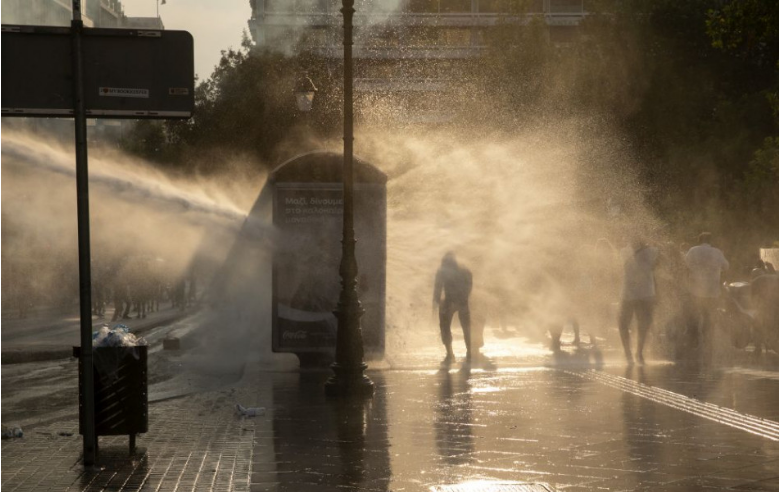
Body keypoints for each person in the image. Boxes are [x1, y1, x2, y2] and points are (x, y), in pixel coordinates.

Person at [684, 232, 729, 353]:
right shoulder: (717, 252)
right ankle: (708, 341)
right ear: (710, 241)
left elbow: (685, 265)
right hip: (712, 291)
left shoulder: (693, 250)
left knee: (693, 315)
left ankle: (693, 339)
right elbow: (726, 267)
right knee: (708, 317)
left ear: (699, 240)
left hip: (695, 290)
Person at [618, 238, 659, 365]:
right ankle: (639, 352)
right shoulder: (653, 251)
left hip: (628, 293)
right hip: (646, 293)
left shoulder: (624, 251)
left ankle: (628, 353)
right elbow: (657, 265)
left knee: (623, 324)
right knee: (643, 324)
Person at [433, 252, 473, 364]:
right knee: (466, 327)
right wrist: (464, 298)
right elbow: (469, 286)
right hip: (461, 301)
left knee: (445, 326)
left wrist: (436, 303)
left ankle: (450, 354)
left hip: (450, 300)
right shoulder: (465, 270)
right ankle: (469, 353)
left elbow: (437, 289)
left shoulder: (442, 271)